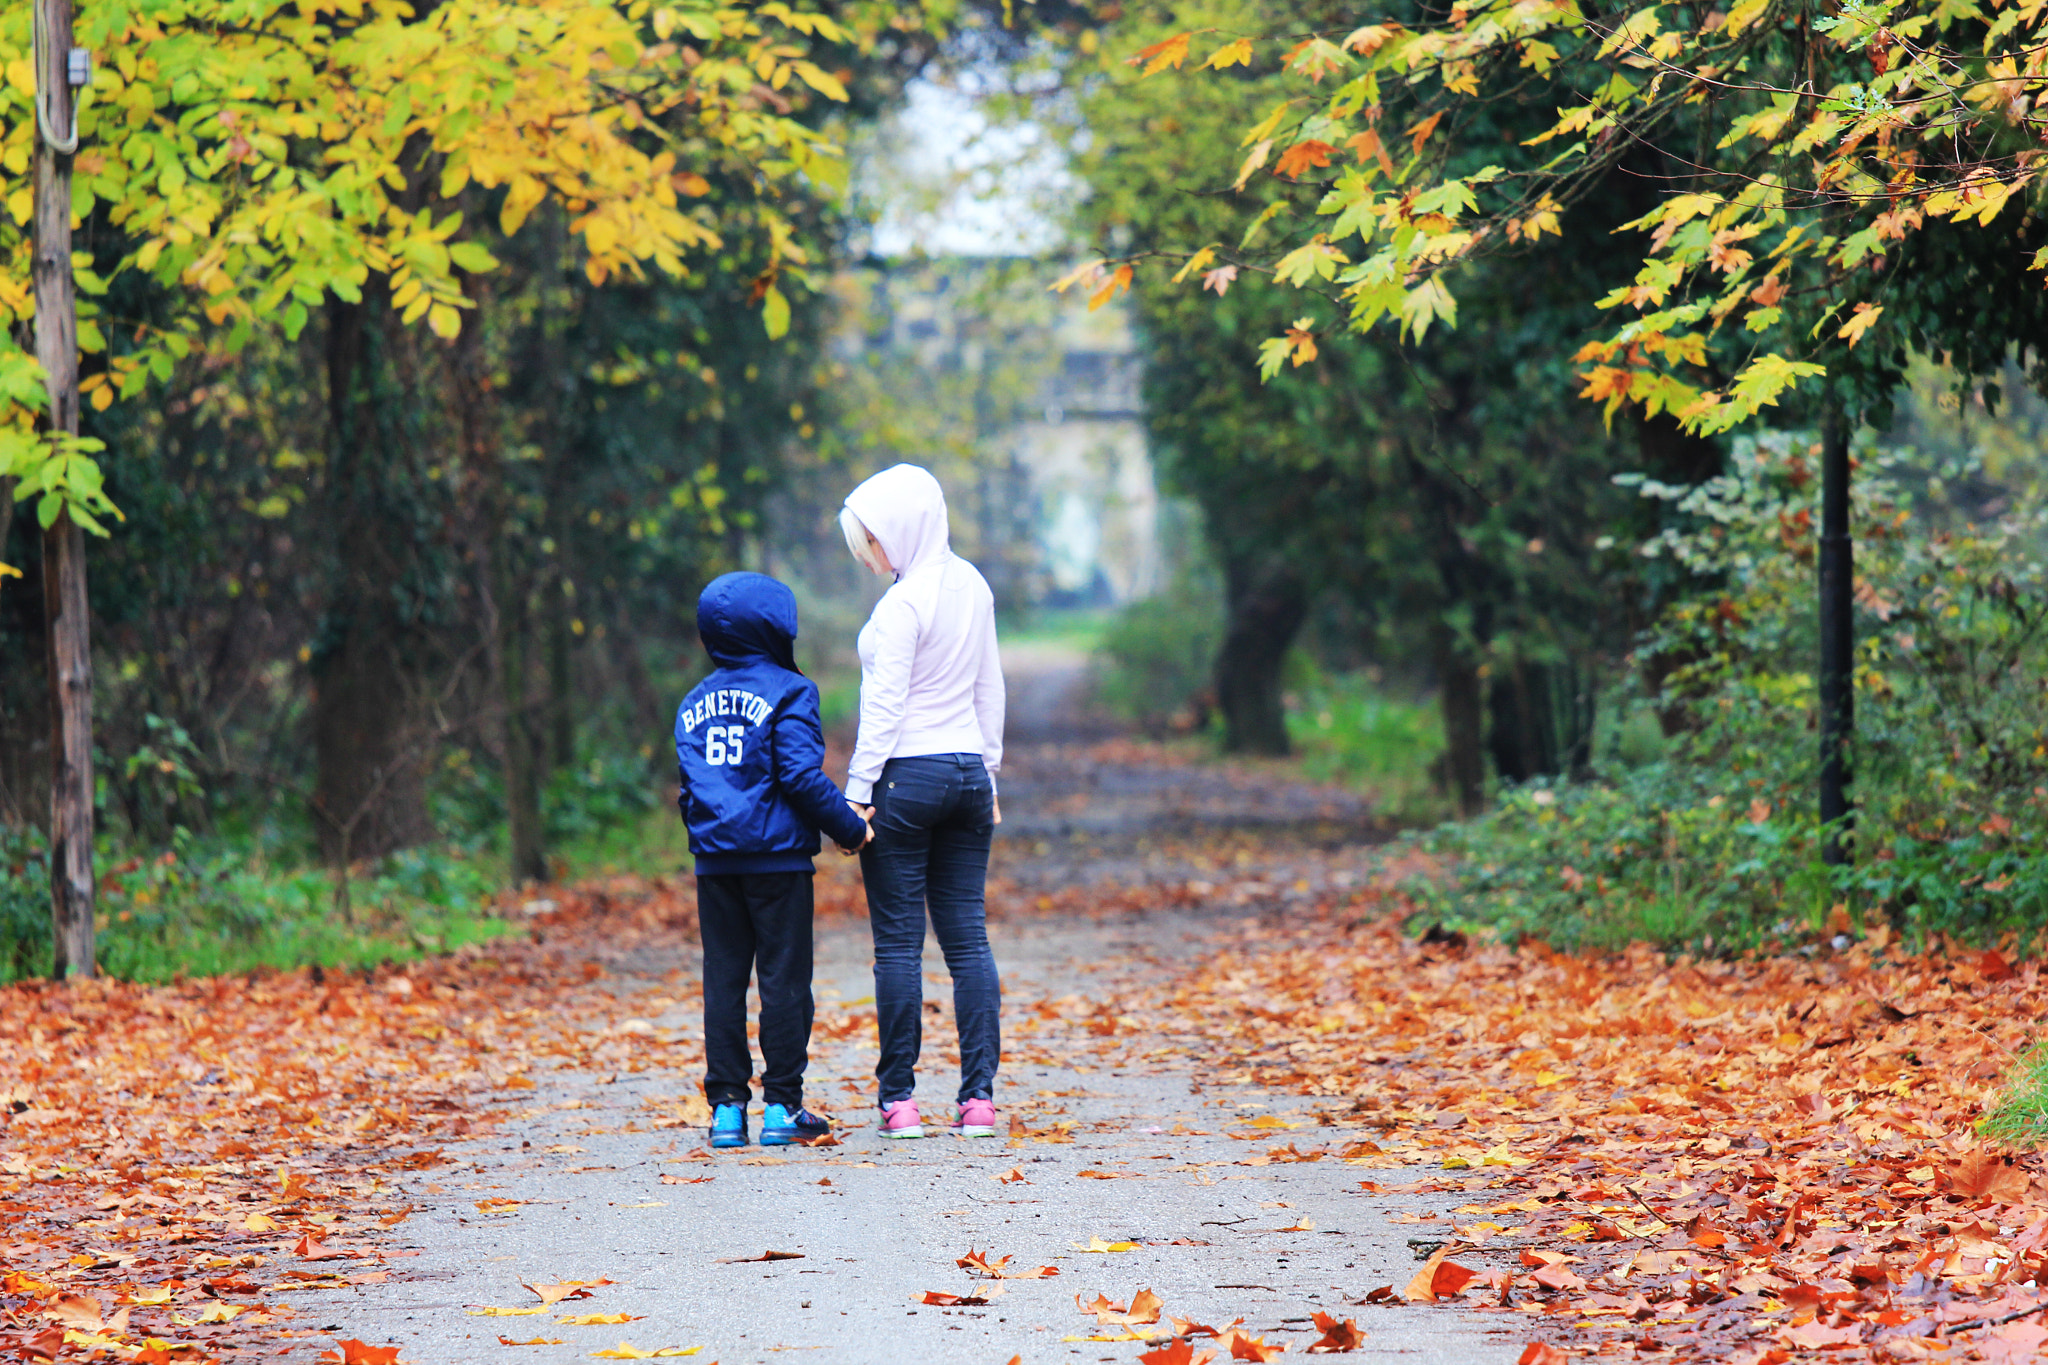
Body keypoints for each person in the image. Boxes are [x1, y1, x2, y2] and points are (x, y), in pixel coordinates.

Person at [674, 571, 871, 1150]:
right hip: (777, 860)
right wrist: (852, 828)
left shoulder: (693, 701)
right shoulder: (789, 690)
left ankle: (727, 1111)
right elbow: (801, 778)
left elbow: (691, 787)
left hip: (715, 861)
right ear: (776, 627)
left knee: (725, 979)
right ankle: (783, 1106)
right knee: (784, 980)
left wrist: (708, 832)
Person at [838, 463, 1006, 1140]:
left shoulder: (904, 605)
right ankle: (979, 1101)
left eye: (873, 542)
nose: (871, 557)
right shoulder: (974, 585)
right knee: (968, 938)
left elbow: (884, 707)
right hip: (966, 774)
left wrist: (855, 795)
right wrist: (988, 773)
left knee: (900, 945)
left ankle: (899, 1101)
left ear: (903, 529)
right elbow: (990, 686)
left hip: (905, 777)